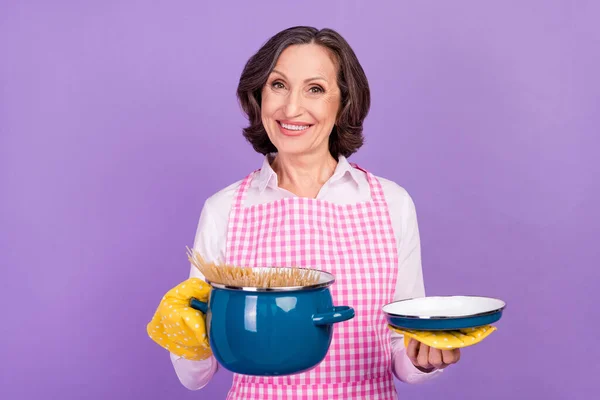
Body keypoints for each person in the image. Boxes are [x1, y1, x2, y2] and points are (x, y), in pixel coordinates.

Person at [162, 26, 460, 399]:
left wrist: (423, 359)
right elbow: (195, 377)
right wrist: (184, 333)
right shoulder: (224, 209)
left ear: (343, 102)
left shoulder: (391, 203)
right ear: (258, 95)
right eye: (278, 85)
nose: (291, 108)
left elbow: (400, 353)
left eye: (315, 89)